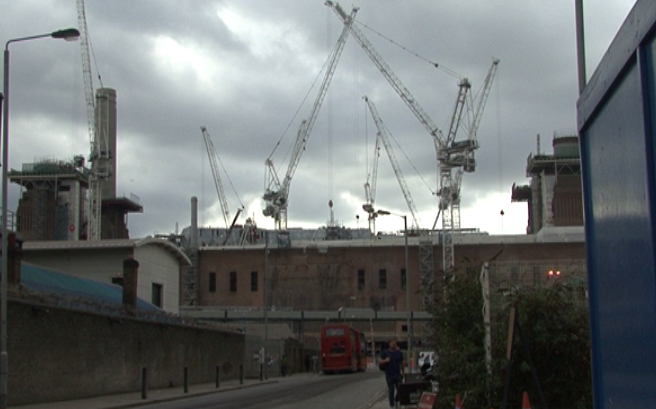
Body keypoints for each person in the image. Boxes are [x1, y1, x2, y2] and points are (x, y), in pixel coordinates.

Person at [379, 339, 404, 408]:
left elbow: (402, 363)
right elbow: (380, 361)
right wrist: (385, 360)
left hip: (397, 374)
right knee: (391, 390)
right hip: (389, 374)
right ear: (389, 344)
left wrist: (403, 373)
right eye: (392, 343)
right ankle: (392, 405)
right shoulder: (385, 352)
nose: (394, 344)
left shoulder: (399, 352)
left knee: (400, 389)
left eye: (395, 343)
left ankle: (397, 401)